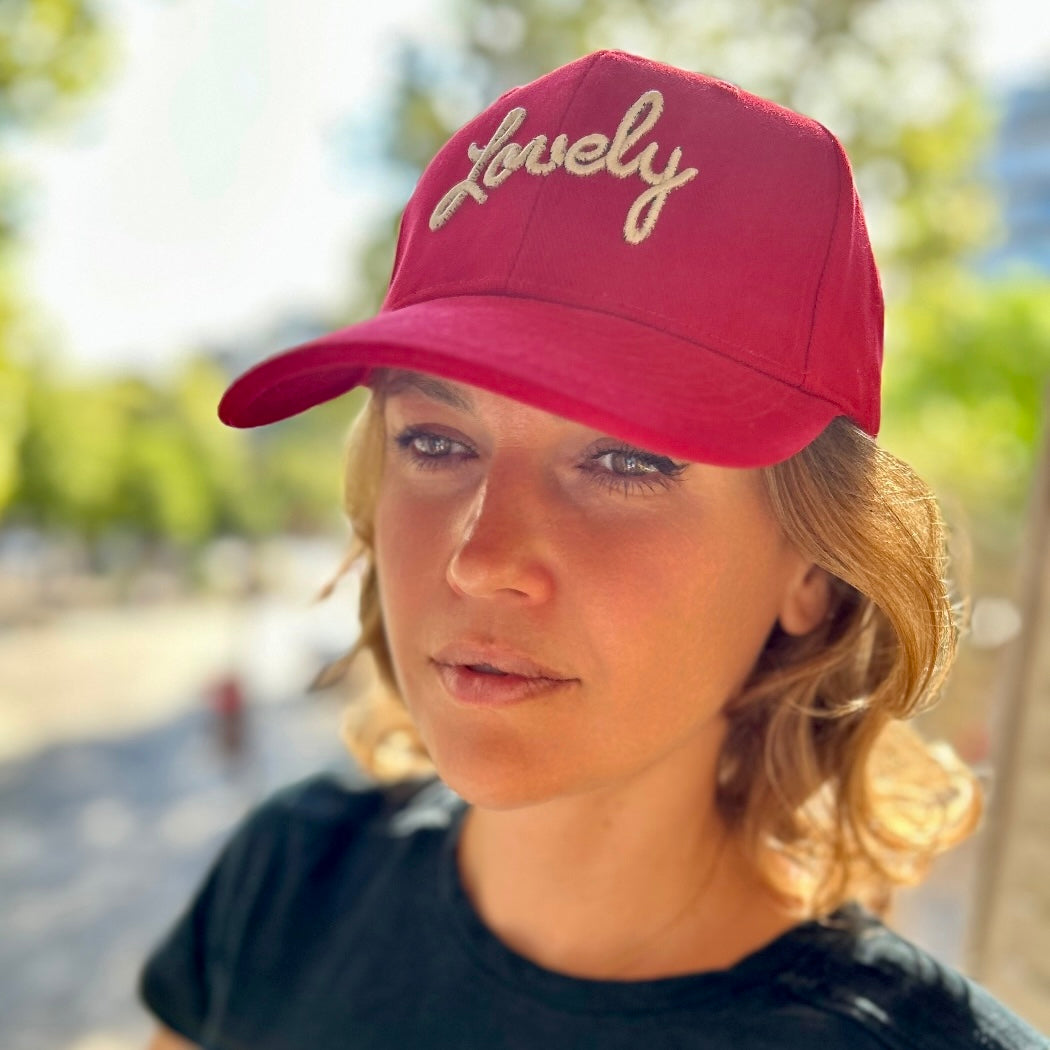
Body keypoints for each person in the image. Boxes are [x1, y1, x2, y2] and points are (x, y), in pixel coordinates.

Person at [139, 50, 1045, 1049]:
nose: (481, 558)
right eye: (436, 442)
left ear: (815, 567)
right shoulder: (287, 881)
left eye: (627, 463)